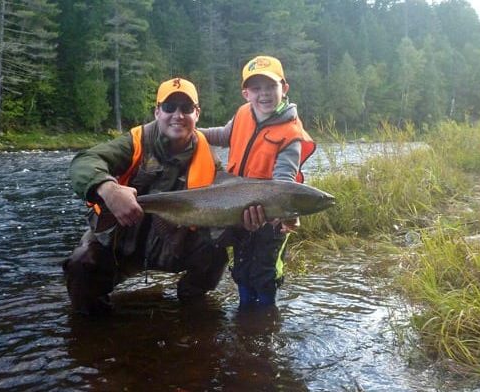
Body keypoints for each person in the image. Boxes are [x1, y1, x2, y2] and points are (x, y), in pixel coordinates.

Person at [64, 77, 228, 316]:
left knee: (216, 251)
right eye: (170, 107)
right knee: (81, 263)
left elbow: (224, 203)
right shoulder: (134, 142)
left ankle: (190, 305)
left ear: (197, 114)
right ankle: (92, 326)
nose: (178, 115)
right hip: (120, 242)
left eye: (186, 108)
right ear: (157, 111)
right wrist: (108, 189)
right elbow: (84, 162)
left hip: (172, 244)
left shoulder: (210, 159)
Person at [200, 55, 316, 308]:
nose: (264, 94)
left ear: (284, 89)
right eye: (256, 88)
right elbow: (223, 135)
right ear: (246, 93)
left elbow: (284, 180)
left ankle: (265, 319)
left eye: (270, 87)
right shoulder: (243, 113)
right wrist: (193, 133)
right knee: (242, 267)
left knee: (264, 273)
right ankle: (245, 312)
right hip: (240, 210)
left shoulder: (291, 135)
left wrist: (284, 214)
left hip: (272, 218)